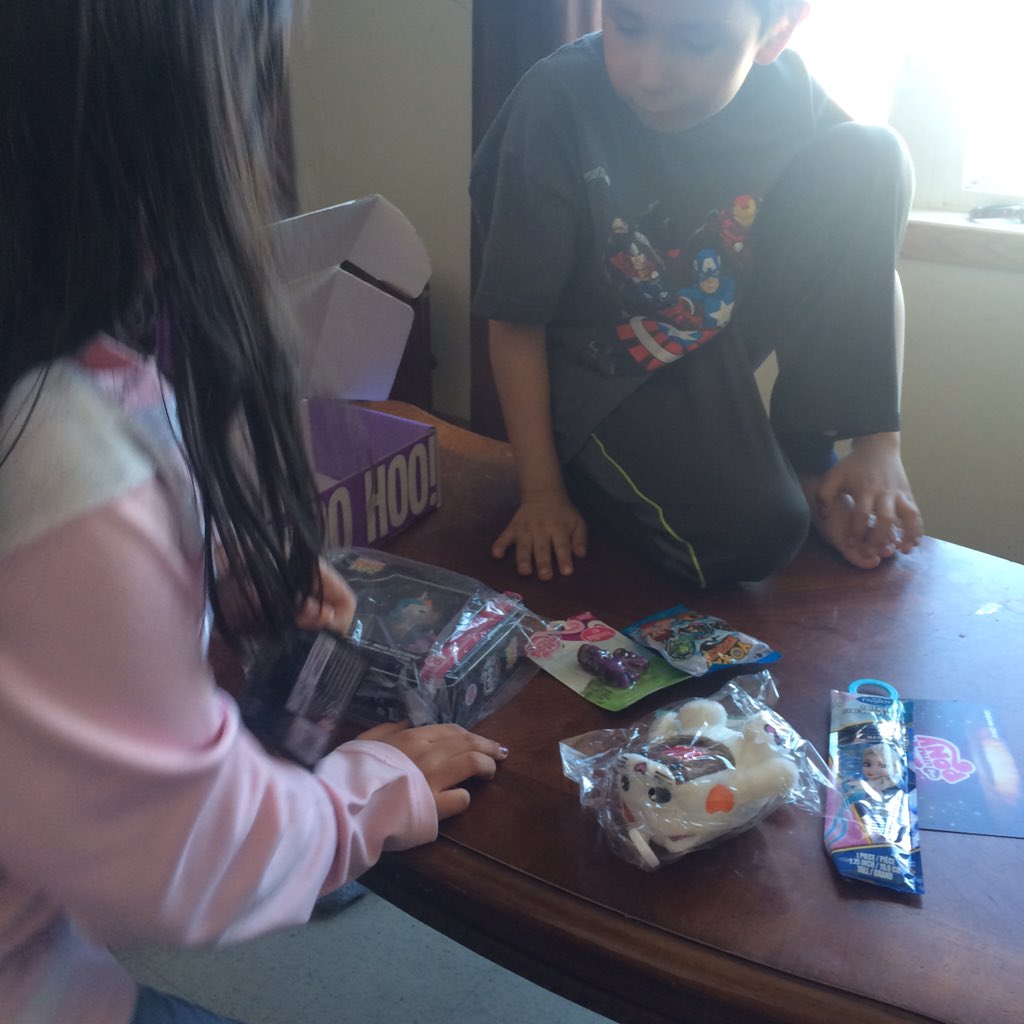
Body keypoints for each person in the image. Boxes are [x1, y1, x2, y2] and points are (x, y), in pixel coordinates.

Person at [0, 3, 506, 1023]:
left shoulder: (65, 391)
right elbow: (182, 859)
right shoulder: (61, 447)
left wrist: (198, 566)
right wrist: (366, 792)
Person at [470, 0, 925, 587]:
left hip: (703, 334)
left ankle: (809, 462)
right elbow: (515, 323)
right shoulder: (555, 103)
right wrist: (540, 492)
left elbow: (866, 256)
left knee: (874, 153)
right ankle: (598, 468)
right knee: (758, 536)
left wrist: (879, 442)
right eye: (627, 27)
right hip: (597, 373)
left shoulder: (789, 90)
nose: (650, 74)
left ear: (775, 33)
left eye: (697, 43)